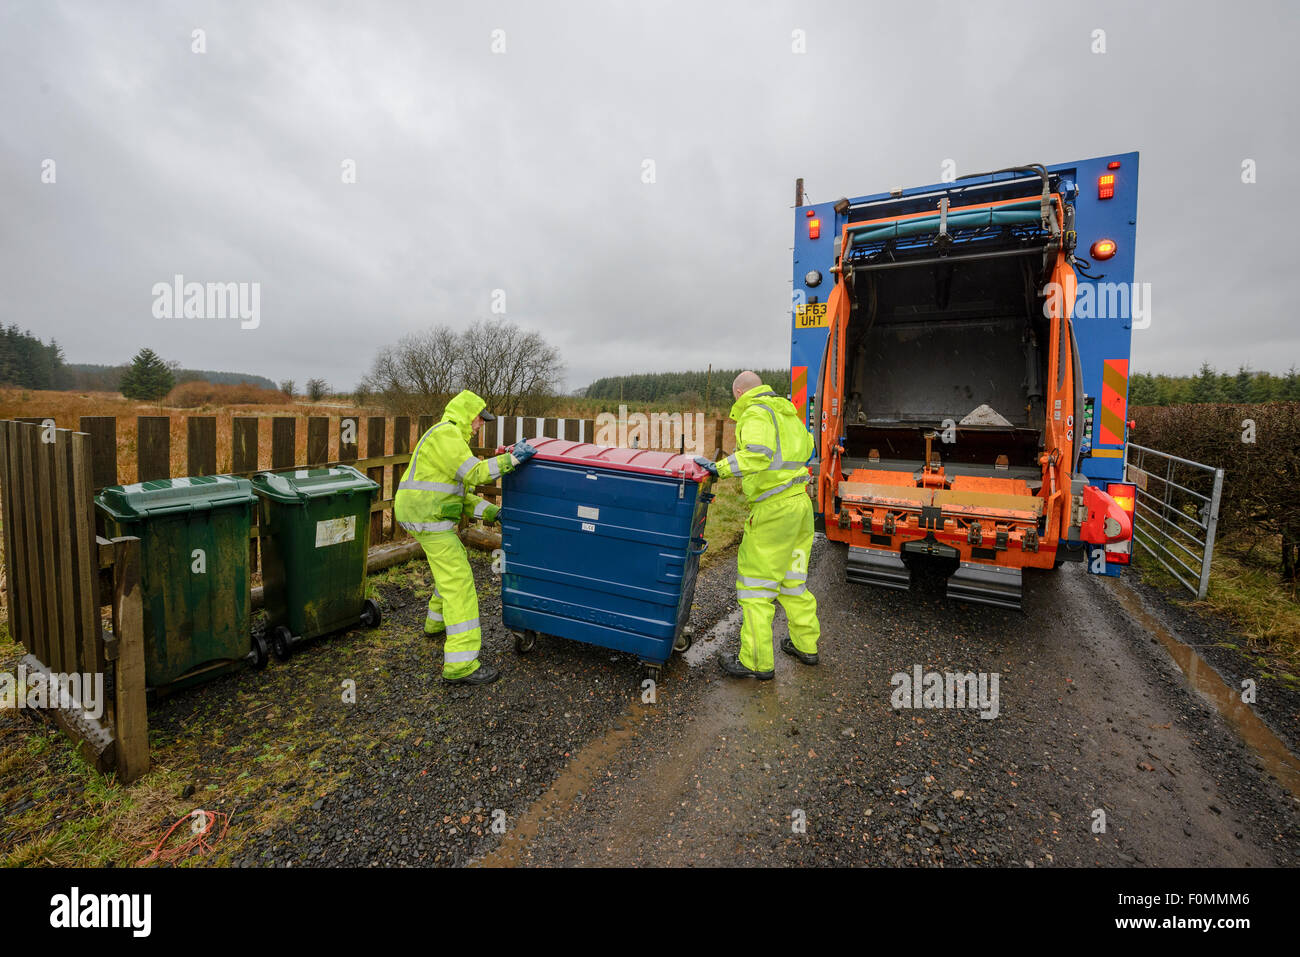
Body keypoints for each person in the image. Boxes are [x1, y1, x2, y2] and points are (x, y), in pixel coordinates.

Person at [394, 390, 536, 686]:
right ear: (466, 414)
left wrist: (494, 513)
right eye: (479, 420)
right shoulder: (447, 436)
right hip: (428, 518)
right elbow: (476, 474)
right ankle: (461, 664)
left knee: (446, 569)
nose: (480, 425)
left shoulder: (447, 439)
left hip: (424, 514)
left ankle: (435, 624)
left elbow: (462, 497)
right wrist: (513, 460)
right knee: (459, 581)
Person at [695, 371, 820, 679]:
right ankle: (806, 645)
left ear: (739, 392)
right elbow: (807, 448)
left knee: (756, 587)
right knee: (793, 580)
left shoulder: (755, 412)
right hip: (799, 505)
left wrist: (719, 468)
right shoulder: (787, 411)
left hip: (773, 510)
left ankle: (756, 661)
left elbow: (756, 456)